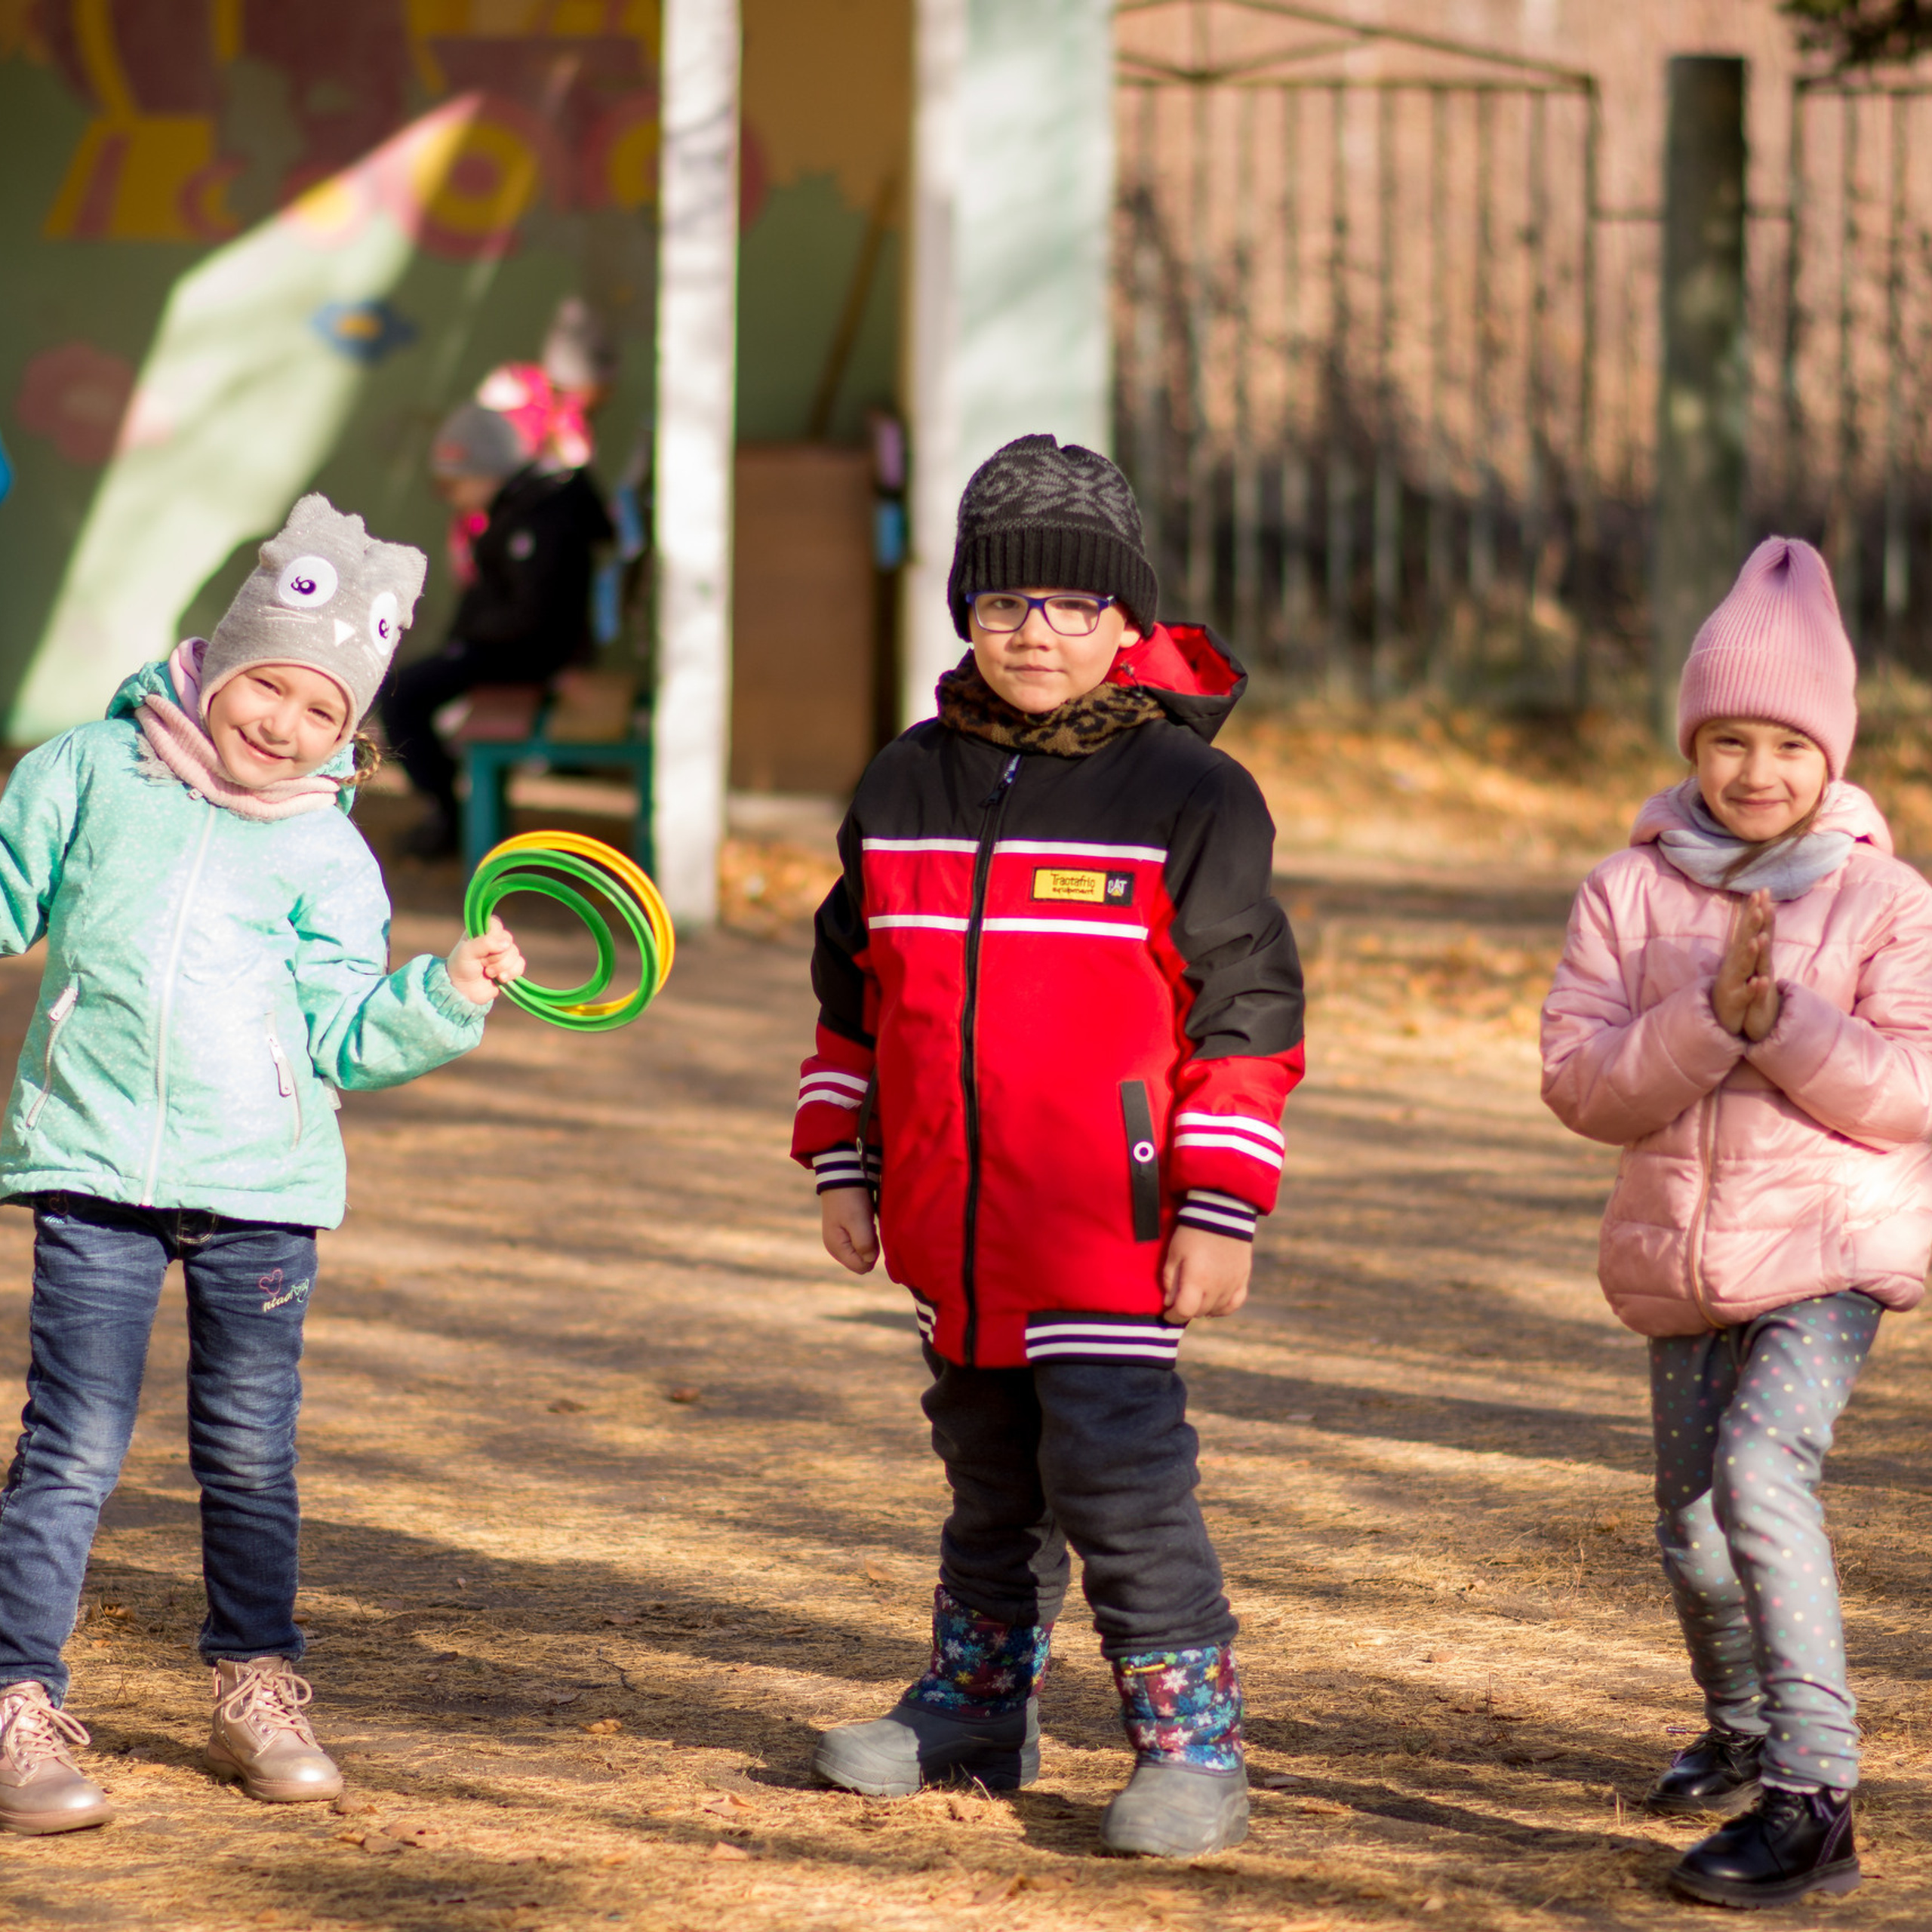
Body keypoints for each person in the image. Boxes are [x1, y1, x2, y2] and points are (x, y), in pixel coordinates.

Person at [792, 434, 1305, 1858]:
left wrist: (1216, 1205)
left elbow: (1250, 1015)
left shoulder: (1190, 798)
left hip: (1108, 1222)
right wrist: (848, 1161)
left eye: (1075, 606)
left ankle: (1192, 1747)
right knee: (988, 1475)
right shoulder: (903, 785)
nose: (1038, 632)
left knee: (1120, 1482)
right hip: (954, 1225)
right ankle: (975, 1706)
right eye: (1008, 603)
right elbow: (853, 995)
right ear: (965, 612)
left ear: (1128, 623)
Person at [0, 495, 525, 1835]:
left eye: (321, 712)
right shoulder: (86, 772)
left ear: (348, 733)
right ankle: (17, 1702)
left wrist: (444, 993)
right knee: (69, 1449)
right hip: (96, 1166)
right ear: (220, 661)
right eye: (269, 688)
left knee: (247, 1452)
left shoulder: (329, 851)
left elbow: (345, 1032)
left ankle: (255, 1686)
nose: (283, 725)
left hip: (261, 1197)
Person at [1542, 537, 1932, 1909]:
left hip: (1829, 1253)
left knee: (1764, 1483)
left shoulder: (1889, 903)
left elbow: (1914, 1092)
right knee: (1694, 1529)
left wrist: (1791, 1024)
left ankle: (1814, 1793)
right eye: (1727, 739)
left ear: (1833, 756)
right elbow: (1581, 1083)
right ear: (1691, 745)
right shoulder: (1624, 891)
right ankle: (1747, 1721)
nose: (1756, 771)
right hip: (1682, 1255)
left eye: (1787, 742)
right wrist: (1710, 1021)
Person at [381, 400, 614, 860]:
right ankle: (454, 811)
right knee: (409, 691)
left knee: (402, 697)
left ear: (485, 471)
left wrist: (466, 642)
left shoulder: (539, 519)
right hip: (519, 649)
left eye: (451, 482)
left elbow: (532, 618)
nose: (448, 494)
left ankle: (453, 817)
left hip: (529, 657)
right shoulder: (526, 510)